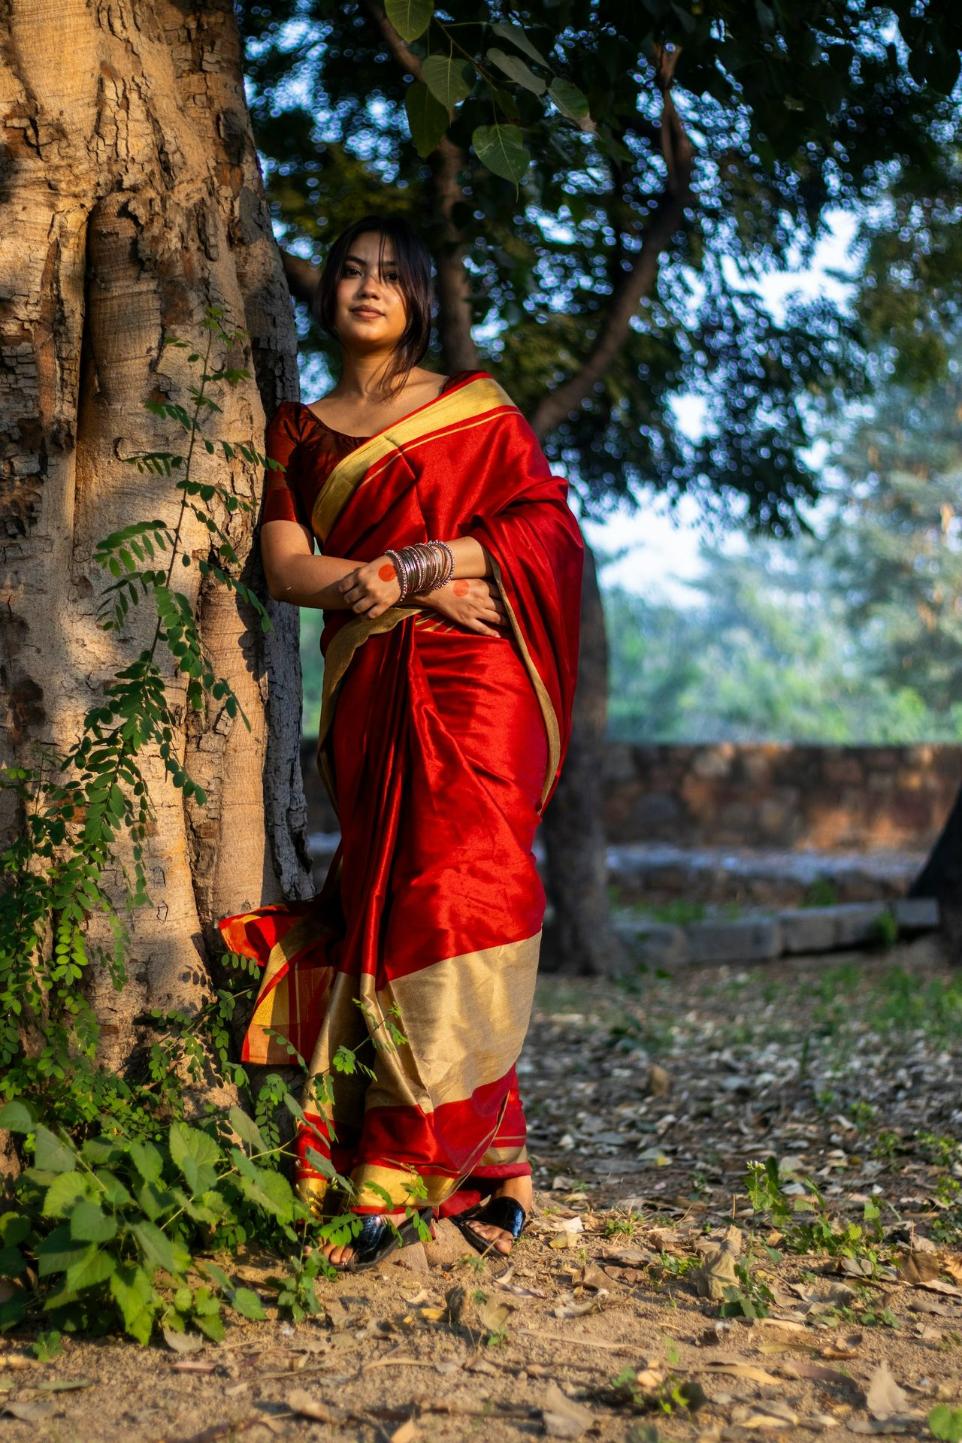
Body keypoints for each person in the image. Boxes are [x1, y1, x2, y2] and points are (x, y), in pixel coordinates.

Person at [217, 214, 584, 1270]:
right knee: (395, 892)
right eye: (349, 272)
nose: (368, 287)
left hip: (482, 680)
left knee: (471, 888)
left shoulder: (475, 407)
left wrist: (416, 565)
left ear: (422, 298)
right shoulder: (297, 429)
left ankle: (397, 1163)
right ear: (325, 294)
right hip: (373, 684)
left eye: (392, 274)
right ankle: (494, 1158)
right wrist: (386, 587)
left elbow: (546, 527)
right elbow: (287, 570)